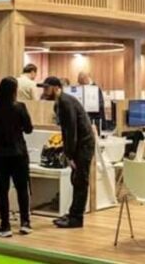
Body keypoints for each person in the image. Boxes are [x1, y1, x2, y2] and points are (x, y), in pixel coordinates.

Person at [41, 76, 95, 228]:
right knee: (76, 180)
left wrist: (70, 155)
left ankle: (76, 218)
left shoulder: (65, 102)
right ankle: (73, 213)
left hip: (83, 145)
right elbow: (67, 131)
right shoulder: (60, 103)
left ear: (56, 88)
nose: (44, 91)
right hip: (80, 144)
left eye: (47, 88)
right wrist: (68, 152)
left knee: (80, 181)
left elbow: (71, 130)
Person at [0, 77, 34, 238]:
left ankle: (5, 225)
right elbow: (29, 129)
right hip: (18, 153)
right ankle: (25, 223)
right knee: (22, 188)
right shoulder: (20, 107)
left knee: (1, 190)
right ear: (15, 90)